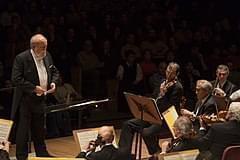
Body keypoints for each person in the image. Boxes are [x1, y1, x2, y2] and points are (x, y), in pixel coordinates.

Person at [118, 62, 183, 159]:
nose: (168, 74)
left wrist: (162, 94)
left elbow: (170, 107)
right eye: (167, 71)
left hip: (166, 118)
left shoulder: (178, 87)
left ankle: (156, 152)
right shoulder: (162, 82)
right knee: (128, 124)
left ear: (176, 74)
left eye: (172, 72)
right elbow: (154, 97)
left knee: (146, 132)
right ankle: (123, 155)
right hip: (152, 114)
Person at [11, 34, 59, 160]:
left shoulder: (47, 56)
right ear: (34, 47)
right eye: (42, 47)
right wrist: (33, 88)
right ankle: (21, 156)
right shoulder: (21, 58)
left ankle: (42, 154)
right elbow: (16, 79)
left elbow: (54, 71)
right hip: (25, 100)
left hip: (40, 99)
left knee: (39, 129)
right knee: (24, 129)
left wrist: (53, 82)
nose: (45, 50)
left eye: (46, 47)